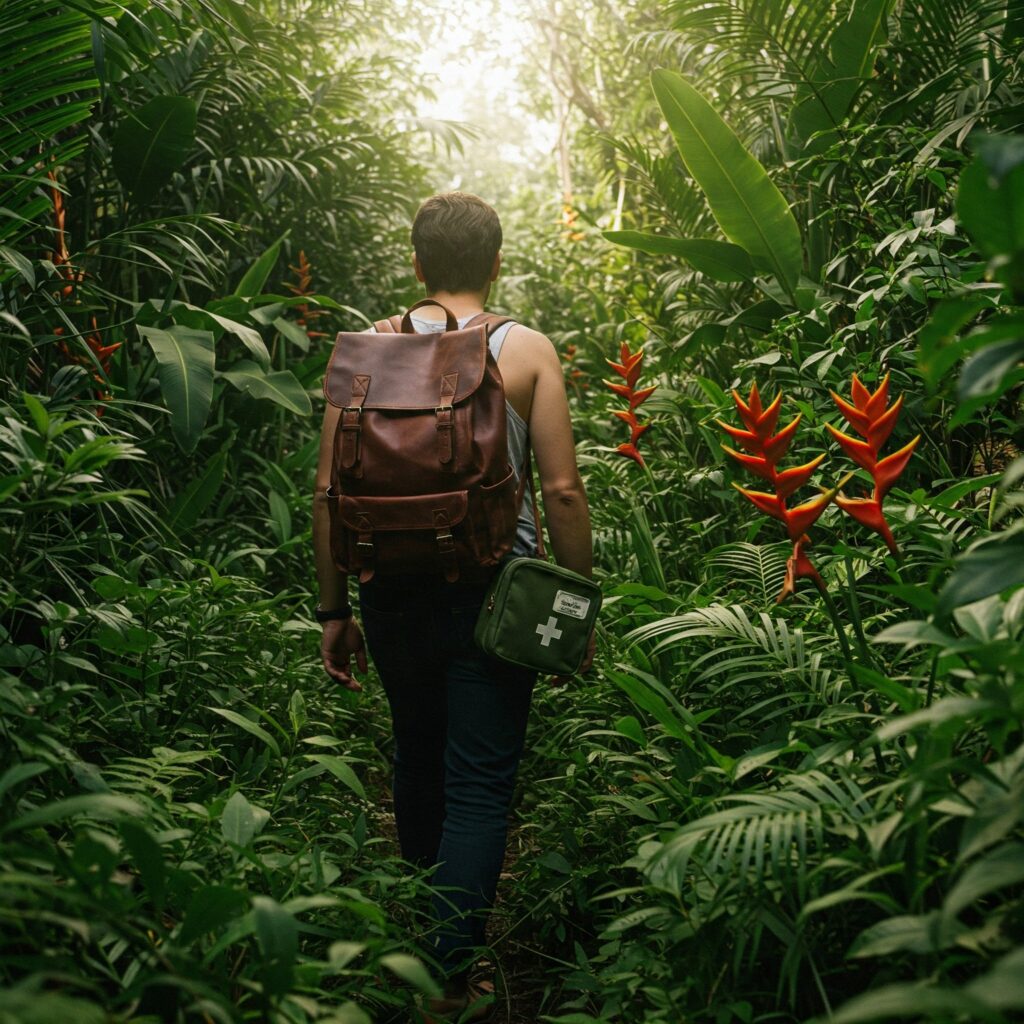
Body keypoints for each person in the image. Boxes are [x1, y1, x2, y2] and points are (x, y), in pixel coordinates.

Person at [312, 192, 594, 1018]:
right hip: (496, 593)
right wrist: (575, 610)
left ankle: (425, 953)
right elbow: (563, 492)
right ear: (497, 263)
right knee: (478, 783)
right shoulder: (527, 349)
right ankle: (450, 970)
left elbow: (327, 493)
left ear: (417, 263)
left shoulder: (365, 352)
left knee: (417, 757)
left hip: (391, 591)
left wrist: (334, 611)